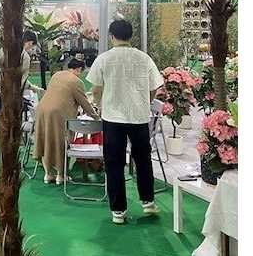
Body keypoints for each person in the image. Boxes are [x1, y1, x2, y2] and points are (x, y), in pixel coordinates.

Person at [87, 19, 164, 225]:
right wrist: (145, 102)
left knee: (114, 163)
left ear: (111, 36)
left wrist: (100, 105)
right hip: (139, 117)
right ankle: (148, 201)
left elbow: (96, 89)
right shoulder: (144, 58)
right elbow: (154, 87)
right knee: (143, 159)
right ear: (131, 36)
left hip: (112, 118)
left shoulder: (104, 59)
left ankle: (118, 211)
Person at [34, 59, 98, 184]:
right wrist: (96, 118)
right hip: (58, 113)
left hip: (42, 110)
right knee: (60, 142)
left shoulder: (56, 75)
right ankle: (60, 175)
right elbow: (85, 103)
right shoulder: (76, 81)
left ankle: (48, 174)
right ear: (79, 69)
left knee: (45, 141)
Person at [0, 31, 42, 112]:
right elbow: (21, 81)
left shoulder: (5, 49)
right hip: (11, 95)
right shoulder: (25, 57)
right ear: (30, 43)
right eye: (32, 47)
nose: (31, 50)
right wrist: (33, 88)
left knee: (0, 118)